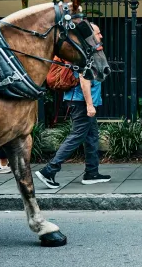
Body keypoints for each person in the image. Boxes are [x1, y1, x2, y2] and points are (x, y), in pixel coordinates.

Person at [35, 23, 111, 189]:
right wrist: (90, 106)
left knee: (91, 138)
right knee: (77, 136)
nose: (101, 36)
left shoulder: (85, 51)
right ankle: (49, 170)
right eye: (98, 33)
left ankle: (92, 173)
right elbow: (85, 80)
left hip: (80, 101)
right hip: (82, 103)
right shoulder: (84, 53)